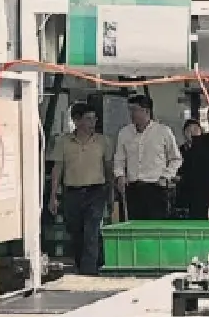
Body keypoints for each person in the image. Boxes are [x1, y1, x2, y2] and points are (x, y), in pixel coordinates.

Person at [48, 102, 110, 274]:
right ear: (76, 121)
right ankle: (84, 265)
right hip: (72, 193)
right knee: (76, 233)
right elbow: (57, 169)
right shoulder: (64, 142)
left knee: (92, 231)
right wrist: (53, 196)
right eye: (88, 119)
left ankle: (89, 272)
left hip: (95, 191)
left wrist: (110, 192)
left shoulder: (102, 141)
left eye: (94, 119)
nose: (92, 123)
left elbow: (108, 167)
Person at [112, 94, 183, 221]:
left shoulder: (163, 131)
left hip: (155, 186)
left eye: (135, 110)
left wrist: (166, 176)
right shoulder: (124, 133)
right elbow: (119, 159)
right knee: (135, 225)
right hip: (133, 187)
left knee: (155, 226)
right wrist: (120, 176)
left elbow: (176, 158)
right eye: (130, 110)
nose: (132, 114)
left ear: (146, 111)